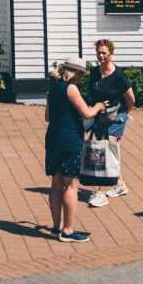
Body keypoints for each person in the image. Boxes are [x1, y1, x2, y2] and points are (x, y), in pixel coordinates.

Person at [80, 37, 135, 209]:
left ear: (111, 54)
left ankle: (101, 192)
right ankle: (119, 184)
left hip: (116, 116)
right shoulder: (95, 72)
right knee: (106, 152)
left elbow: (130, 99)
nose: (101, 56)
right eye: (98, 53)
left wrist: (124, 115)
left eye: (104, 53)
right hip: (99, 116)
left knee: (105, 151)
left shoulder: (118, 75)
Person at [44, 58, 92, 242]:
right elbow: (86, 113)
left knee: (56, 183)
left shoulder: (54, 88)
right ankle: (68, 230)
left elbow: (47, 116)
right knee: (72, 185)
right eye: (81, 74)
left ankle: (56, 228)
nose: (81, 78)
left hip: (53, 138)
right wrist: (98, 107)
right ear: (74, 72)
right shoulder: (71, 89)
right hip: (70, 139)